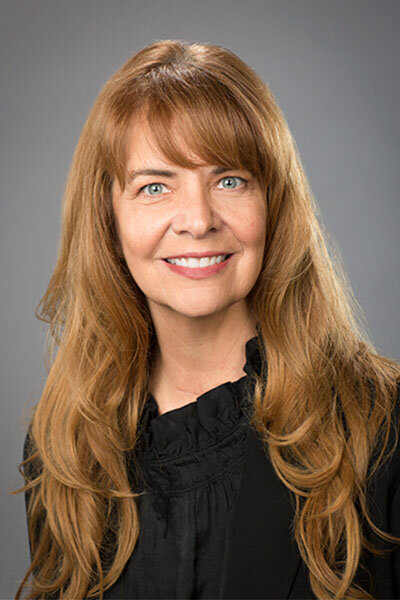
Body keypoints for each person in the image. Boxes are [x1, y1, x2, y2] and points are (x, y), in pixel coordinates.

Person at [17, 39, 400, 600]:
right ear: (108, 217)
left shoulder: (380, 424)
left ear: (272, 202)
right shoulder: (62, 451)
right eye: (155, 186)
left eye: (230, 180)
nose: (197, 221)